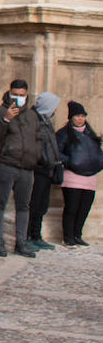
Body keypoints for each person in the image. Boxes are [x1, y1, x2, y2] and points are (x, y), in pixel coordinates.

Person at [0, 78, 44, 257]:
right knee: (0, 204)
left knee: (23, 206)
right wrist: (6, 120)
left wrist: (36, 154)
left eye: (22, 95)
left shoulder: (32, 115)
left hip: (26, 167)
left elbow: (39, 137)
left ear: (26, 95)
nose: (18, 98)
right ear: (10, 93)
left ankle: (21, 243)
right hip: (6, 165)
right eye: (15, 94)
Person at [56, 102, 102, 247]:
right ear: (71, 117)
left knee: (84, 208)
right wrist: (69, 161)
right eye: (77, 116)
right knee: (71, 207)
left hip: (89, 177)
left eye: (82, 116)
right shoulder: (63, 133)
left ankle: (77, 234)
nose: (80, 119)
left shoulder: (90, 133)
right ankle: (68, 237)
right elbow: (57, 151)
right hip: (72, 176)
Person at [28, 92, 62, 250]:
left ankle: (36, 235)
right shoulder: (34, 120)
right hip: (38, 168)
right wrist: (43, 159)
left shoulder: (46, 121)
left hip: (48, 168)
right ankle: (29, 236)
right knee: (34, 204)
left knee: (42, 205)